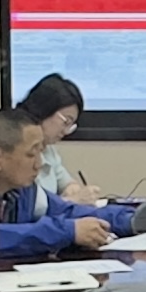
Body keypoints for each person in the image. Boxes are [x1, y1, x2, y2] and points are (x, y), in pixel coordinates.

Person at [0, 104, 132, 263]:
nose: (39, 164)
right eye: (31, 154)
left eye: (40, 152)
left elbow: (65, 211)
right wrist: (68, 231)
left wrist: (129, 220)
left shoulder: (21, 187)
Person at [16, 71, 94, 206]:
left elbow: (66, 182)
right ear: (45, 109)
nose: (66, 131)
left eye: (71, 125)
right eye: (66, 122)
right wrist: (70, 201)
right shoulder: (17, 145)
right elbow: (30, 207)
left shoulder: (48, 148)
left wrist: (73, 190)